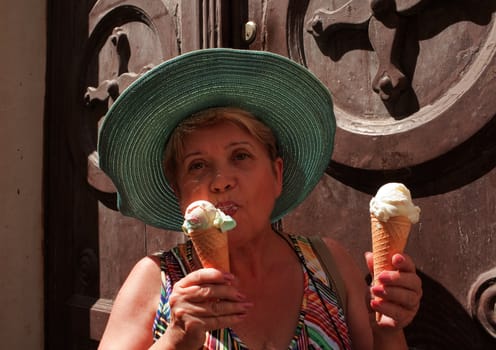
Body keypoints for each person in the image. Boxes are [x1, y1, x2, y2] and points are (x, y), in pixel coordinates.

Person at [97, 49, 422, 350]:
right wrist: (175, 339)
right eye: (197, 165)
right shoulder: (157, 279)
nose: (221, 181)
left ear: (277, 174)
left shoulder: (329, 265)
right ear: (177, 191)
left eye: (240, 156)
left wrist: (388, 327)